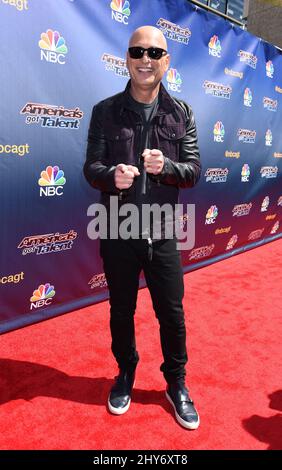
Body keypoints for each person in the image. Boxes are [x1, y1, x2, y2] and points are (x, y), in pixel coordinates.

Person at [84, 26, 201, 430]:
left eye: (154, 52)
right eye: (138, 51)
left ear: (166, 62)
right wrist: (109, 176)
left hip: (163, 230)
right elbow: (91, 168)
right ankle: (126, 375)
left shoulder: (181, 113)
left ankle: (177, 383)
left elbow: (193, 171)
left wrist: (167, 168)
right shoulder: (105, 111)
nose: (145, 59)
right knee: (122, 311)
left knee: (171, 312)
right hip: (118, 228)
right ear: (127, 59)